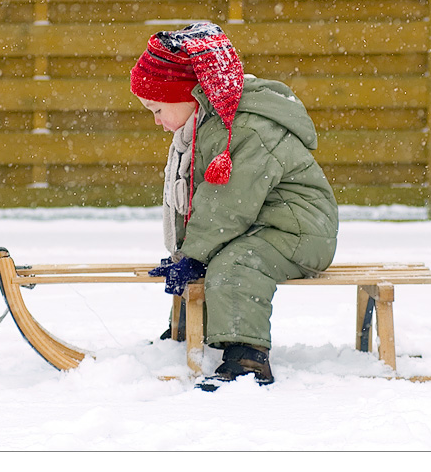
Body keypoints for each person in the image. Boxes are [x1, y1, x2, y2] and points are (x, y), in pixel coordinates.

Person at [130, 22, 338, 389]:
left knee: (236, 263)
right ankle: (190, 332)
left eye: (158, 109)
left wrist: (195, 252)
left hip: (299, 230)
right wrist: (187, 253)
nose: (158, 121)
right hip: (262, 223)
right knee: (213, 255)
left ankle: (247, 355)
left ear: (188, 94)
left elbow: (226, 204)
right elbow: (198, 203)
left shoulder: (244, 130)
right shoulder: (210, 123)